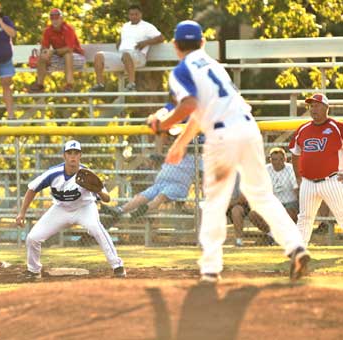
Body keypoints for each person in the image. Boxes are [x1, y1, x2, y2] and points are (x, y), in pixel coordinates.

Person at [152, 20, 309, 283]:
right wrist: (179, 144)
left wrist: (161, 124)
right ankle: (296, 247)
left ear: (175, 46)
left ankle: (211, 268)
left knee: (215, 201)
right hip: (248, 130)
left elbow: (190, 104)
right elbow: (201, 111)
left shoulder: (182, 69)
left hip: (222, 136)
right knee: (262, 196)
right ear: (202, 43)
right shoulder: (216, 66)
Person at [15, 140, 125, 280]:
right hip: (60, 209)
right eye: (69, 153)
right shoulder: (53, 173)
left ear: (80, 156)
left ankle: (117, 266)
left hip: (84, 208)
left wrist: (97, 190)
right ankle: (33, 270)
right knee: (32, 238)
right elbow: (32, 189)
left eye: (76, 153)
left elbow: (107, 198)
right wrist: (22, 213)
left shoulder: (87, 173)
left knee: (96, 228)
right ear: (64, 156)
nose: (73, 156)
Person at [289, 93, 343, 245]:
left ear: (326, 108)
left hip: (331, 180)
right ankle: (298, 253)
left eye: (317, 105)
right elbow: (295, 153)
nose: (314, 109)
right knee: (305, 218)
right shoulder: (303, 129)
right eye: (311, 106)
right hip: (308, 182)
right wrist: (298, 177)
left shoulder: (337, 127)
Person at [90, 4, 163, 92]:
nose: (134, 16)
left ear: (140, 14)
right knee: (99, 55)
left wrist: (145, 43)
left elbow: (161, 38)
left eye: (136, 14)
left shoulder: (147, 26)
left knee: (126, 54)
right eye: (131, 14)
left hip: (138, 56)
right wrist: (120, 43)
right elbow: (122, 39)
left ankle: (131, 85)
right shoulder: (125, 26)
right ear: (128, 15)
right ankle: (100, 84)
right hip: (122, 57)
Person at [28, 8, 86, 93]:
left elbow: (69, 49)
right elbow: (44, 47)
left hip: (76, 57)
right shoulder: (48, 30)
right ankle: (39, 85)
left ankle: (69, 85)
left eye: (57, 18)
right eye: (52, 18)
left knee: (67, 54)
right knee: (42, 57)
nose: (55, 20)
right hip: (61, 58)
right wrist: (46, 54)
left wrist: (53, 52)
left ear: (61, 19)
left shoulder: (68, 29)